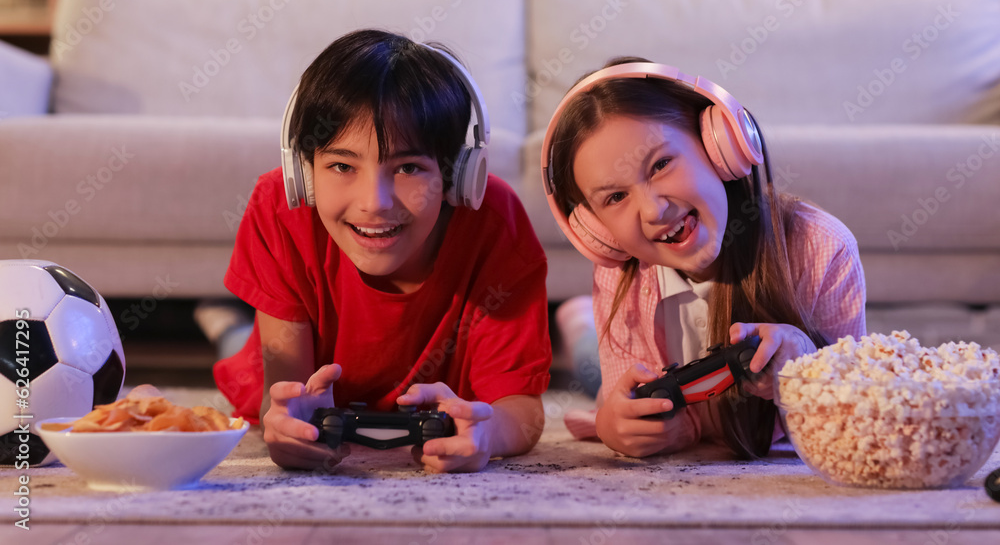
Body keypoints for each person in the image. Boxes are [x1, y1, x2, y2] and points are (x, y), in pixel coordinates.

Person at [214, 29, 551, 473]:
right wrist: (287, 426)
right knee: (240, 346)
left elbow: (523, 415)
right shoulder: (278, 206)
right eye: (341, 166)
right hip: (277, 348)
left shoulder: (495, 220)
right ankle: (222, 325)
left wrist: (486, 433)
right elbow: (282, 399)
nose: (375, 202)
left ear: (457, 177)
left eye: (409, 167)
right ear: (305, 174)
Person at [541, 58, 866, 459]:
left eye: (660, 164)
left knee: (590, 354)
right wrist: (613, 424)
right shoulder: (621, 274)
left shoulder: (823, 248)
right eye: (615, 197)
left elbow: (856, 414)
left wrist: (806, 370)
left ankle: (579, 322)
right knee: (594, 369)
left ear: (718, 146)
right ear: (599, 232)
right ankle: (580, 324)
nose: (652, 210)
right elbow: (620, 403)